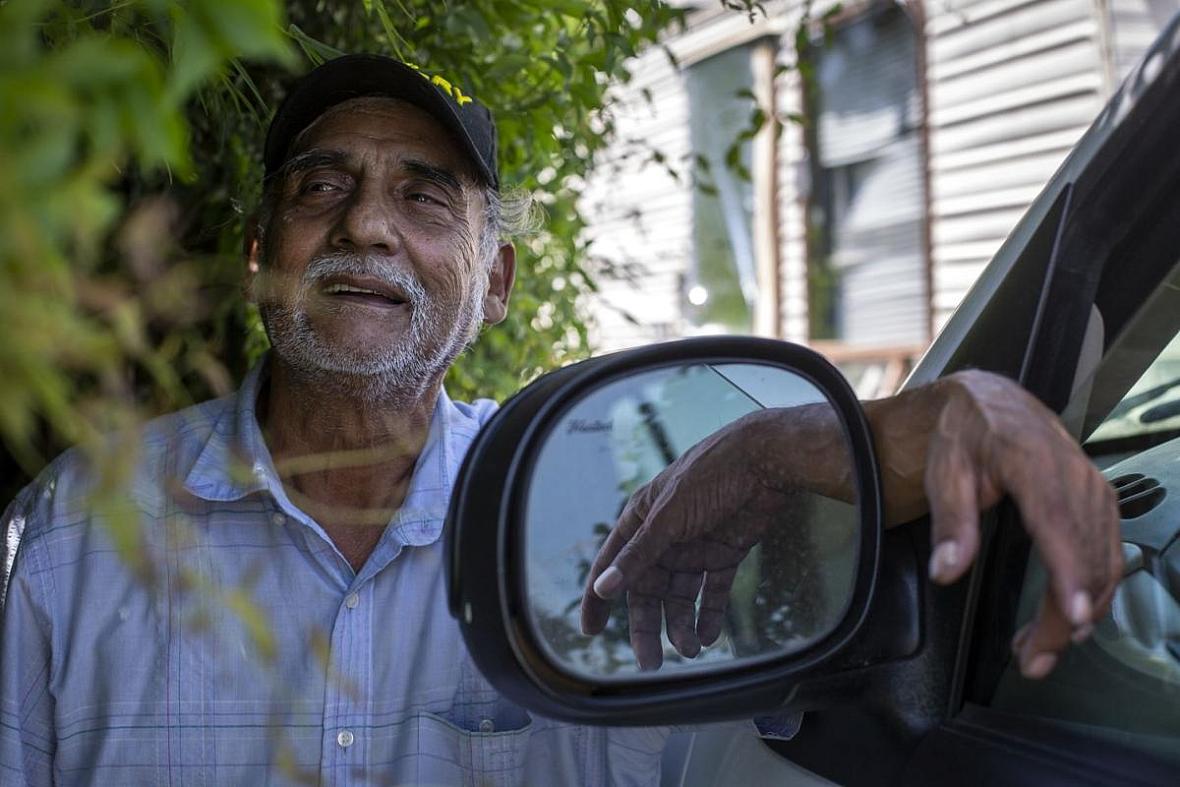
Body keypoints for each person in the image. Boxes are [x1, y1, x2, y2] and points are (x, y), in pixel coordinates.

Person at [0, 53, 1119, 786]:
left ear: (495, 285)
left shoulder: (595, 517)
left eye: (426, 196)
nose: (369, 227)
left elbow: (802, 669)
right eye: (318, 187)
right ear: (259, 259)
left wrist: (940, 409)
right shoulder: (73, 534)